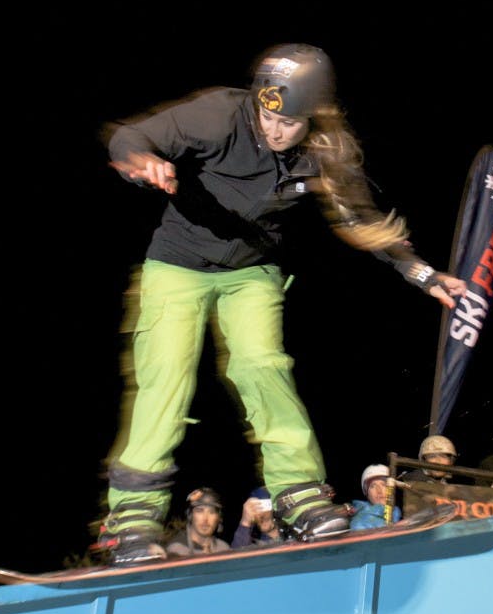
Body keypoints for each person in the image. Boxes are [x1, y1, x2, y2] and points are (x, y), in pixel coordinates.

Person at [97, 43, 467, 564]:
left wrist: (418, 270)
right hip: (177, 268)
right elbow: (130, 135)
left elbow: (360, 220)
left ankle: (300, 495)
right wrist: (142, 160)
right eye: (267, 114)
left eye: (288, 122)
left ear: (313, 117)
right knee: (167, 378)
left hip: (253, 273)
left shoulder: (327, 150)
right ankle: (132, 516)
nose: (274, 130)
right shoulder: (220, 113)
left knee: (263, 367)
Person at [165, 487, 231, 557]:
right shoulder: (177, 550)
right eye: (199, 511)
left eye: (212, 512)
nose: (205, 519)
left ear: (219, 518)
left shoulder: (222, 549)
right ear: (190, 515)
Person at [350, 464, 402, 530]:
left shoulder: (397, 514)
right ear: (367, 494)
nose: (379, 491)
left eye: (384, 485)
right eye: (372, 486)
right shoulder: (360, 522)